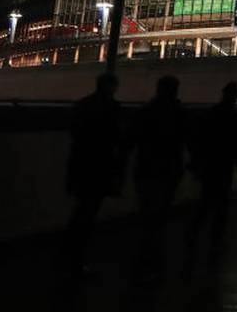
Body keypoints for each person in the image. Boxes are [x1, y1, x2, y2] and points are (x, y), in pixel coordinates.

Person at [127, 75, 187, 280]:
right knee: (160, 215)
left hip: (146, 169)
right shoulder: (178, 113)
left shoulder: (146, 111)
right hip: (168, 170)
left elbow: (130, 139)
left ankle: (144, 258)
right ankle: (153, 259)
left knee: (148, 213)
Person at [64, 73, 123, 277]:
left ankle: (71, 253)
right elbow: (117, 137)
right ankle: (77, 256)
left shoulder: (82, 105)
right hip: (100, 165)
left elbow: (75, 132)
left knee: (82, 209)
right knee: (89, 210)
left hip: (82, 163)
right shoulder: (113, 108)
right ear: (111, 87)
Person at [186, 81, 237, 258]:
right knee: (221, 207)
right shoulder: (235, 118)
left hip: (210, 165)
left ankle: (193, 235)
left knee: (204, 203)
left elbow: (198, 139)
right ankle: (215, 241)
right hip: (224, 167)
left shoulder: (210, 114)